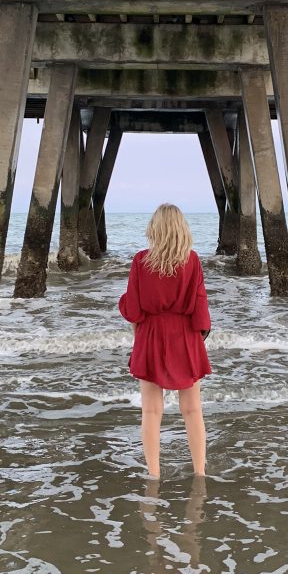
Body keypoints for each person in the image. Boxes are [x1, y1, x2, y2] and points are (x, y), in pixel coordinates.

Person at [119, 204, 211, 479]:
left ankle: (155, 475)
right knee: (193, 410)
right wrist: (199, 336)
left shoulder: (140, 261)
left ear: (155, 230)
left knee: (151, 410)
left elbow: (133, 310)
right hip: (185, 335)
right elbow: (201, 309)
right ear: (182, 230)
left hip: (151, 335)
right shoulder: (192, 260)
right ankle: (199, 472)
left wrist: (122, 304)